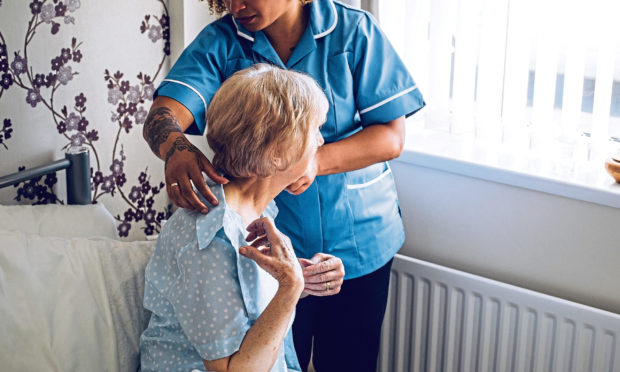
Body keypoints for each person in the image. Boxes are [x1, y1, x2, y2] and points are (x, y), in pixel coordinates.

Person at [142, 0, 425, 370]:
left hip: (359, 235)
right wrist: (176, 149)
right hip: (274, 244)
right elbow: (163, 115)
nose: (234, 5)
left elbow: (391, 137)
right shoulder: (221, 42)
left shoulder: (355, 30)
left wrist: (309, 160)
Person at [140, 64, 343, 372]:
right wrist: (289, 288)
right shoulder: (210, 238)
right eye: (314, 129)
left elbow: (244, 306)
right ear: (277, 152)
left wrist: (298, 280)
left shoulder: (254, 208)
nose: (320, 141)